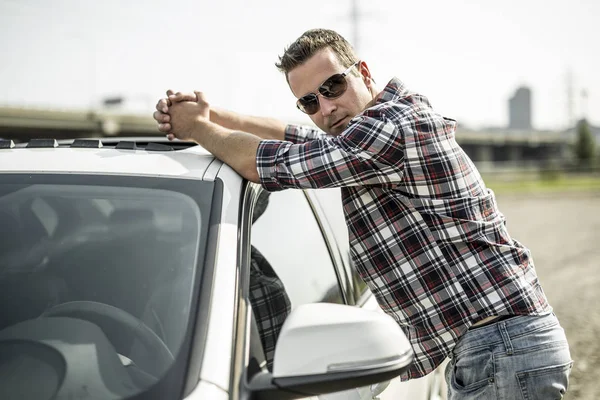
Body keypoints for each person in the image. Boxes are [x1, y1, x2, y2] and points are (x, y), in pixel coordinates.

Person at [153, 28, 572, 399]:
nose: (326, 108)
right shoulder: (368, 132)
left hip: (502, 348)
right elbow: (290, 134)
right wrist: (212, 114)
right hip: (499, 345)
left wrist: (196, 129)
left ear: (364, 72)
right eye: (309, 101)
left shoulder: (388, 130)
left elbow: (265, 163)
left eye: (333, 86)